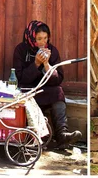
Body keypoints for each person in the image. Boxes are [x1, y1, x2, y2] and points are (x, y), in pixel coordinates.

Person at [13, 20, 82, 148]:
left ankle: (62, 134)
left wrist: (46, 64)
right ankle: (36, 136)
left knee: (58, 91)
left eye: (45, 38)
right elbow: (19, 78)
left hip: (45, 91)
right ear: (31, 37)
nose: (42, 42)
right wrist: (36, 64)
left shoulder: (52, 50)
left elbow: (58, 79)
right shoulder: (21, 50)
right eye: (38, 39)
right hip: (28, 91)